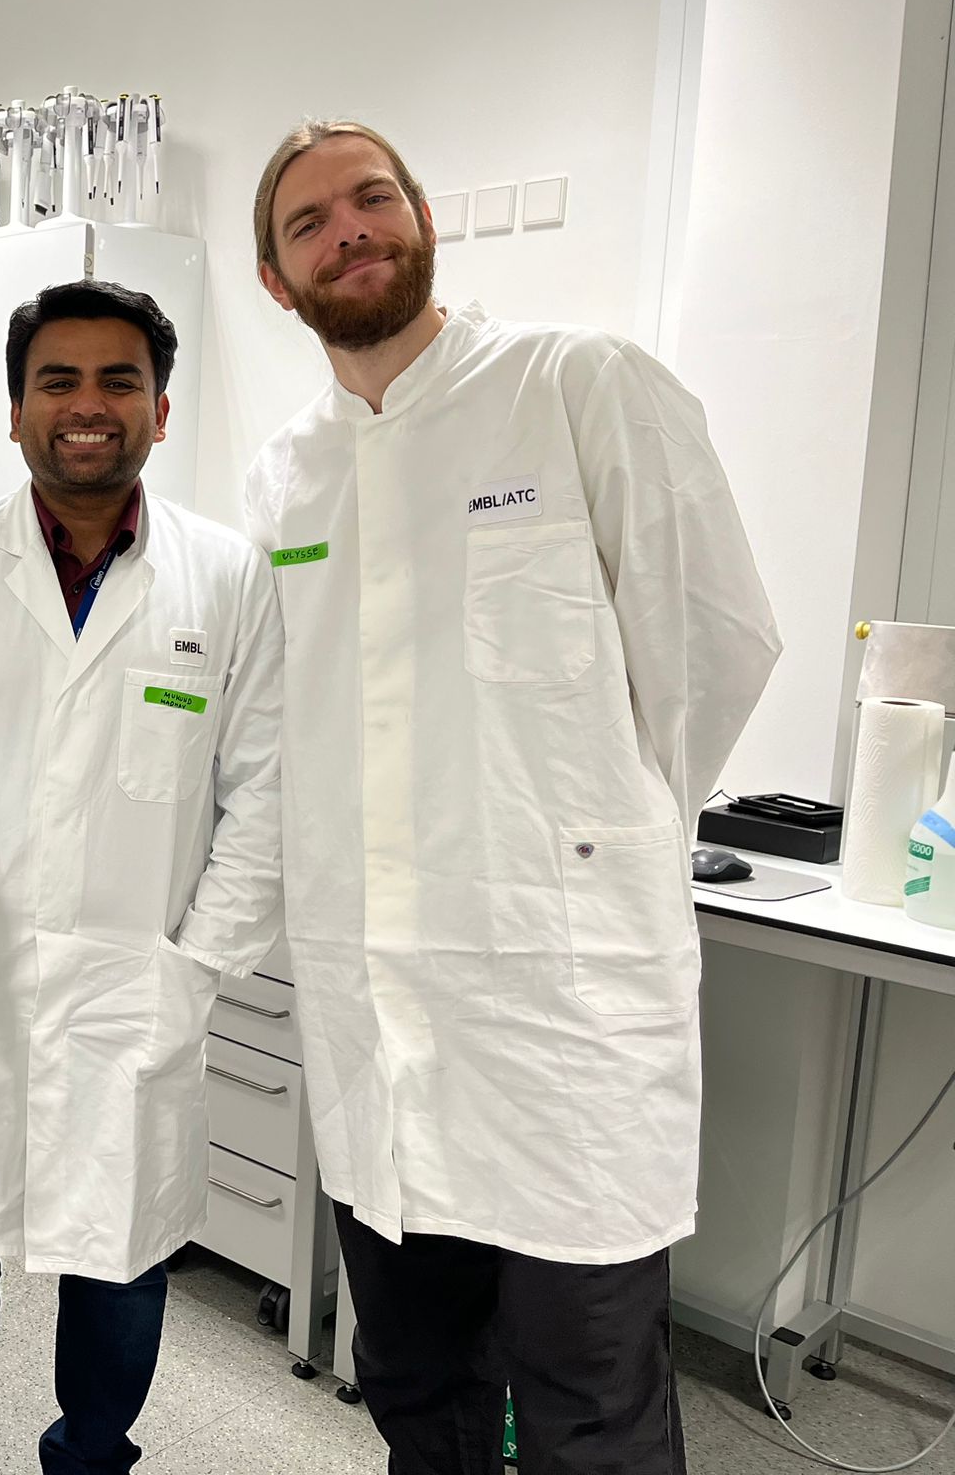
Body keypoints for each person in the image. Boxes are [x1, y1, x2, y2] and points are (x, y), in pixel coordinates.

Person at [247, 119, 782, 1474]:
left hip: (562, 1017)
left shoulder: (577, 384)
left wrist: (597, 842)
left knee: (587, 1403)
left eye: (373, 199)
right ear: (276, 278)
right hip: (382, 1016)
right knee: (417, 1387)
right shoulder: (288, 471)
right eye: (310, 221)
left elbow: (713, 649)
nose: (349, 230)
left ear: (425, 218)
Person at [0, 281, 285, 1475]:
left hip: (130, 992)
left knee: (118, 1276)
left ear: (160, 410)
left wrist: (193, 969)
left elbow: (262, 792)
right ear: (13, 413)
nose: (87, 406)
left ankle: (91, 1457)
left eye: (117, 381)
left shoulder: (224, 577)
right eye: (56, 380)